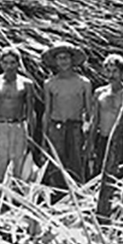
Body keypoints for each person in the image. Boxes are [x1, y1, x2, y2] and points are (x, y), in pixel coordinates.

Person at [42, 41, 91, 186]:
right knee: (56, 163)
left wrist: (88, 132)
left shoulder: (84, 83)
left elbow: (89, 111)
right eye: (59, 58)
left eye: (66, 58)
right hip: (56, 127)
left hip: (76, 127)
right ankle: (57, 195)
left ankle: (78, 194)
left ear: (72, 60)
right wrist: (45, 136)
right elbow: (48, 110)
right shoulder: (50, 83)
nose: (63, 61)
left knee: (76, 162)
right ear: (55, 62)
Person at [0, 46, 35, 184]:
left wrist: (30, 134)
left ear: (18, 64)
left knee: (18, 162)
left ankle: (16, 198)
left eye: (12, 62)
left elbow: (30, 112)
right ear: (1, 63)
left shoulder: (26, 83)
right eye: (6, 62)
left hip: (18, 126)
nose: (9, 66)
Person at [87, 54, 123, 179]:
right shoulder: (100, 93)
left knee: (120, 174)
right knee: (100, 173)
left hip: (121, 141)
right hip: (103, 138)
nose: (111, 75)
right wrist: (90, 143)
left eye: (115, 71)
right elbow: (94, 120)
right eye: (108, 71)